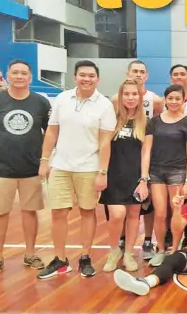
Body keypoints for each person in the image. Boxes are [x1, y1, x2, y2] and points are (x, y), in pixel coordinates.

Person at [38, 60, 116, 278]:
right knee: (58, 213)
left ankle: (85, 257)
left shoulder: (105, 105)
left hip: (89, 168)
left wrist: (102, 172)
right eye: (82, 75)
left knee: (87, 212)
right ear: (75, 77)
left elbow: (105, 142)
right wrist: (45, 160)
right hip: (61, 165)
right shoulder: (62, 99)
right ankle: (60, 260)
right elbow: (52, 132)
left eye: (91, 76)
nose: (86, 79)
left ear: (97, 79)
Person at [0, 60, 50, 275]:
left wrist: (44, 160)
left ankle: (30, 254)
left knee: (30, 212)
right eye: (15, 72)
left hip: (31, 168)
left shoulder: (41, 103)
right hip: (1, 169)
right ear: (8, 75)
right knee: (0, 214)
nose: (19, 76)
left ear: (30, 77)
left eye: (24, 73)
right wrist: (1, 143)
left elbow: (49, 133)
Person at [110, 60, 162, 260]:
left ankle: (146, 241)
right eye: (135, 71)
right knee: (118, 212)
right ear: (128, 73)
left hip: (144, 156)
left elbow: (155, 125)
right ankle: (120, 244)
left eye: (142, 72)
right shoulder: (115, 100)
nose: (138, 75)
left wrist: (144, 175)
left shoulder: (155, 100)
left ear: (146, 76)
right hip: (119, 161)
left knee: (144, 207)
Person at [100, 79, 151, 273]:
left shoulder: (145, 122)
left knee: (133, 216)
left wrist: (144, 180)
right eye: (126, 94)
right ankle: (114, 251)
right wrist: (102, 173)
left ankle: (128, 253)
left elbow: (146, 152)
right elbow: (104, 147)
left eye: (134, 94)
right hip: (113, 176)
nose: (130, 98)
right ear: (120, 97)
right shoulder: (111, 119)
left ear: (140, 97)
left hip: (135, 177)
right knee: (117, 215)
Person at [142, 84, 187, 267]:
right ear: (165, 99)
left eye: (177, 99)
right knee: (160, 213)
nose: (173, 102)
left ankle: (174, 249)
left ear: (183, 100)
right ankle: (161, 249)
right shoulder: (154, 122)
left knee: (176, 212)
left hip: (178, 173)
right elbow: (147, 150)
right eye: (170, 98)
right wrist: (144, 175)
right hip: (156, 172)